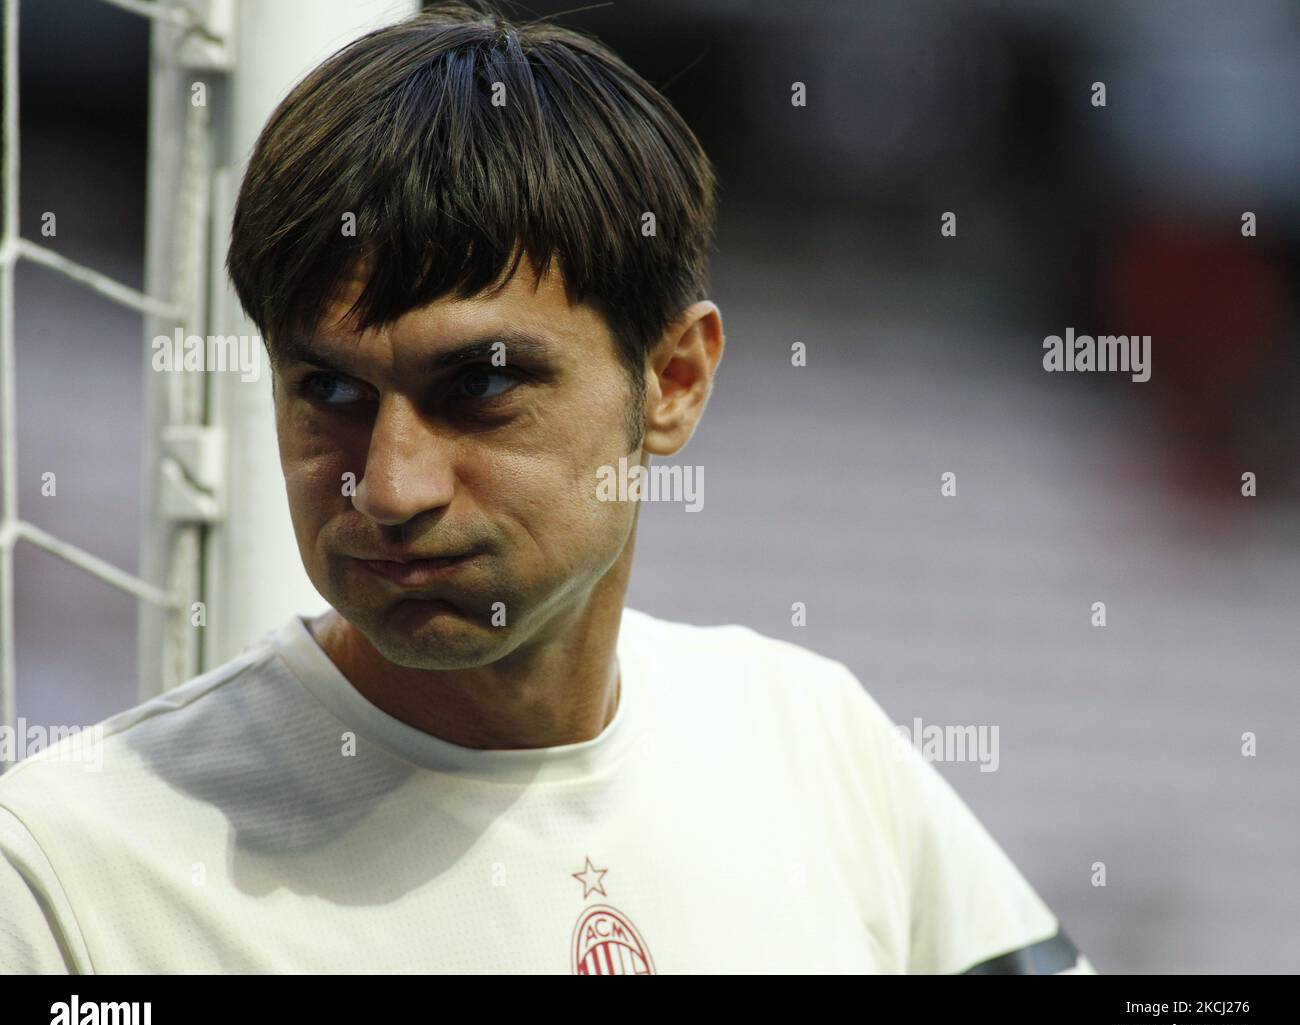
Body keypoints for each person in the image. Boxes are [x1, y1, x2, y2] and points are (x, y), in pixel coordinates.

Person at [0, 1, 1094, 975]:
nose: (389, 487)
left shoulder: (811, 741)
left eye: (479, 384)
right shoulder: (64, 873)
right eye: (326, 387)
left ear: (673, 382)